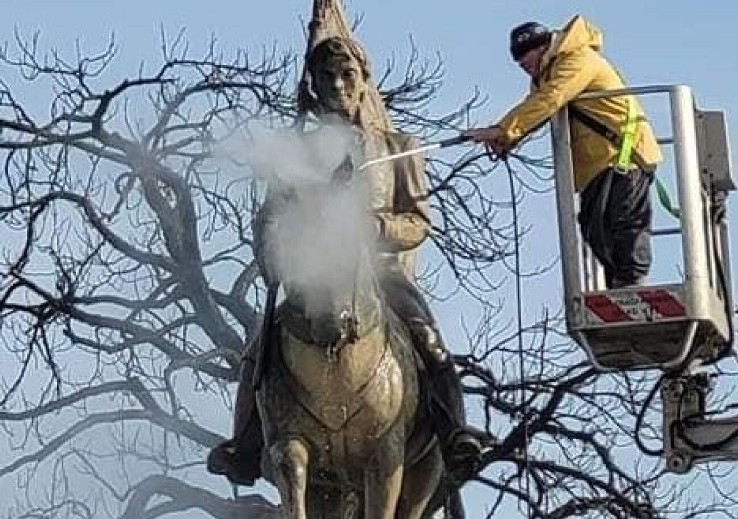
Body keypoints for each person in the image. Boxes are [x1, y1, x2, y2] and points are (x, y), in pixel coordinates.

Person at [207, 35, 481, 487]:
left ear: (363, 83)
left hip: (380, 275)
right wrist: (276, 251)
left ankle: (453, 433)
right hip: (312, 275)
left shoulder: (397, 147)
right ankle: (245, 445)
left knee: (429, 341)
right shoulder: (295, 153)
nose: (337, 84)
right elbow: (270, 218)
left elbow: (417, 221)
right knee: (259, 349)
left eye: (347, 75)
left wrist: (377, 230)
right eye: (327, 76)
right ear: (314, 85)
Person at [465, 16, 663, 289]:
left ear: (544, 46)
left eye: (525, 54)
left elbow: (552, 99)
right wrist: (508, 139)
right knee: (594, 226)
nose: (521, 63)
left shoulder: (577, 60)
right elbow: (538, 107)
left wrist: (503, 129)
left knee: (623, 220)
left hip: (621, 154)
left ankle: (631, 283)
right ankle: (618, 283)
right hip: (594, 163)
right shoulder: (547, 76)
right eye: (517, 58)